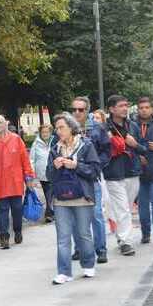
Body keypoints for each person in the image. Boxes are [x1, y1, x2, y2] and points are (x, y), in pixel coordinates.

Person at [47, 113, 101, 285]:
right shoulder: (55, 149)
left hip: (82, 197)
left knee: (83, 233)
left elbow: (94, 171)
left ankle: (88, 264)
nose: (58, 131)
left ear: (71, 128)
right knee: (62, 237)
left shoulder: (86, 145)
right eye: (57, 128)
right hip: (60, 198)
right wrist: (54, 167)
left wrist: (76, 165)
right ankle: (64, 272)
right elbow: (49, 175)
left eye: (62, 127)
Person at [0, 114, 35, 249]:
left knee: (17, 209)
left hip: (16, 182)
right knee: (2, 211)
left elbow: (25, 161)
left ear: (6, 123)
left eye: (0, 122)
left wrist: (28, 178)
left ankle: (18, 231)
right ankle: (4, 237)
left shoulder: (16, 139)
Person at [103, 95, 145, 256]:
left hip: (132, 171)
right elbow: (99, 150)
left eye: (126, 105)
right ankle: (126, 242)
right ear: (112, 109)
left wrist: (135, 145)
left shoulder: (133, 126)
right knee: (123, 209)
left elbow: (143, 148)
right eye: (121, 106)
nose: (125, 108)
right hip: (113, 173)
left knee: (125, 207)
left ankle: (121, 237)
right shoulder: (104, 128)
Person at [71, 97, 111, 264]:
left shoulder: (97, 128)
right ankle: (79, 248)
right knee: (74, 216)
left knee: (95, 215)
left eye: (81, 109)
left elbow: (106, 150)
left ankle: (101, 249)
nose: (77, 113)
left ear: (87, 110)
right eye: (74, 109)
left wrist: (96, 166)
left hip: (91, 178)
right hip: (72, 178)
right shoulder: (66, 127)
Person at [135, 97, 153, 247]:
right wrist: (137, 156)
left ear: (152, 109)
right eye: (141, 107)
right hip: (139, 173)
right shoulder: (132, 125)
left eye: (147, 107)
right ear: (138, 109)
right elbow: (127, 147)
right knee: (143, 205)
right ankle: (145, 233)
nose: (144, 110)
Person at [30, 124, 55, 223]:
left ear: (50, 132)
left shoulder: (55, 141)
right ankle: (51, 211)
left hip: (53, 172)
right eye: (43, 132)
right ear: (40, 133)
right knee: (47, 192)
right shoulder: (36, 143)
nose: (45, 134)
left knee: (50, 192)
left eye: (47, 132)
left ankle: (49, 213)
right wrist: (32, 174)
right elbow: (31, 159)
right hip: (42, 173)